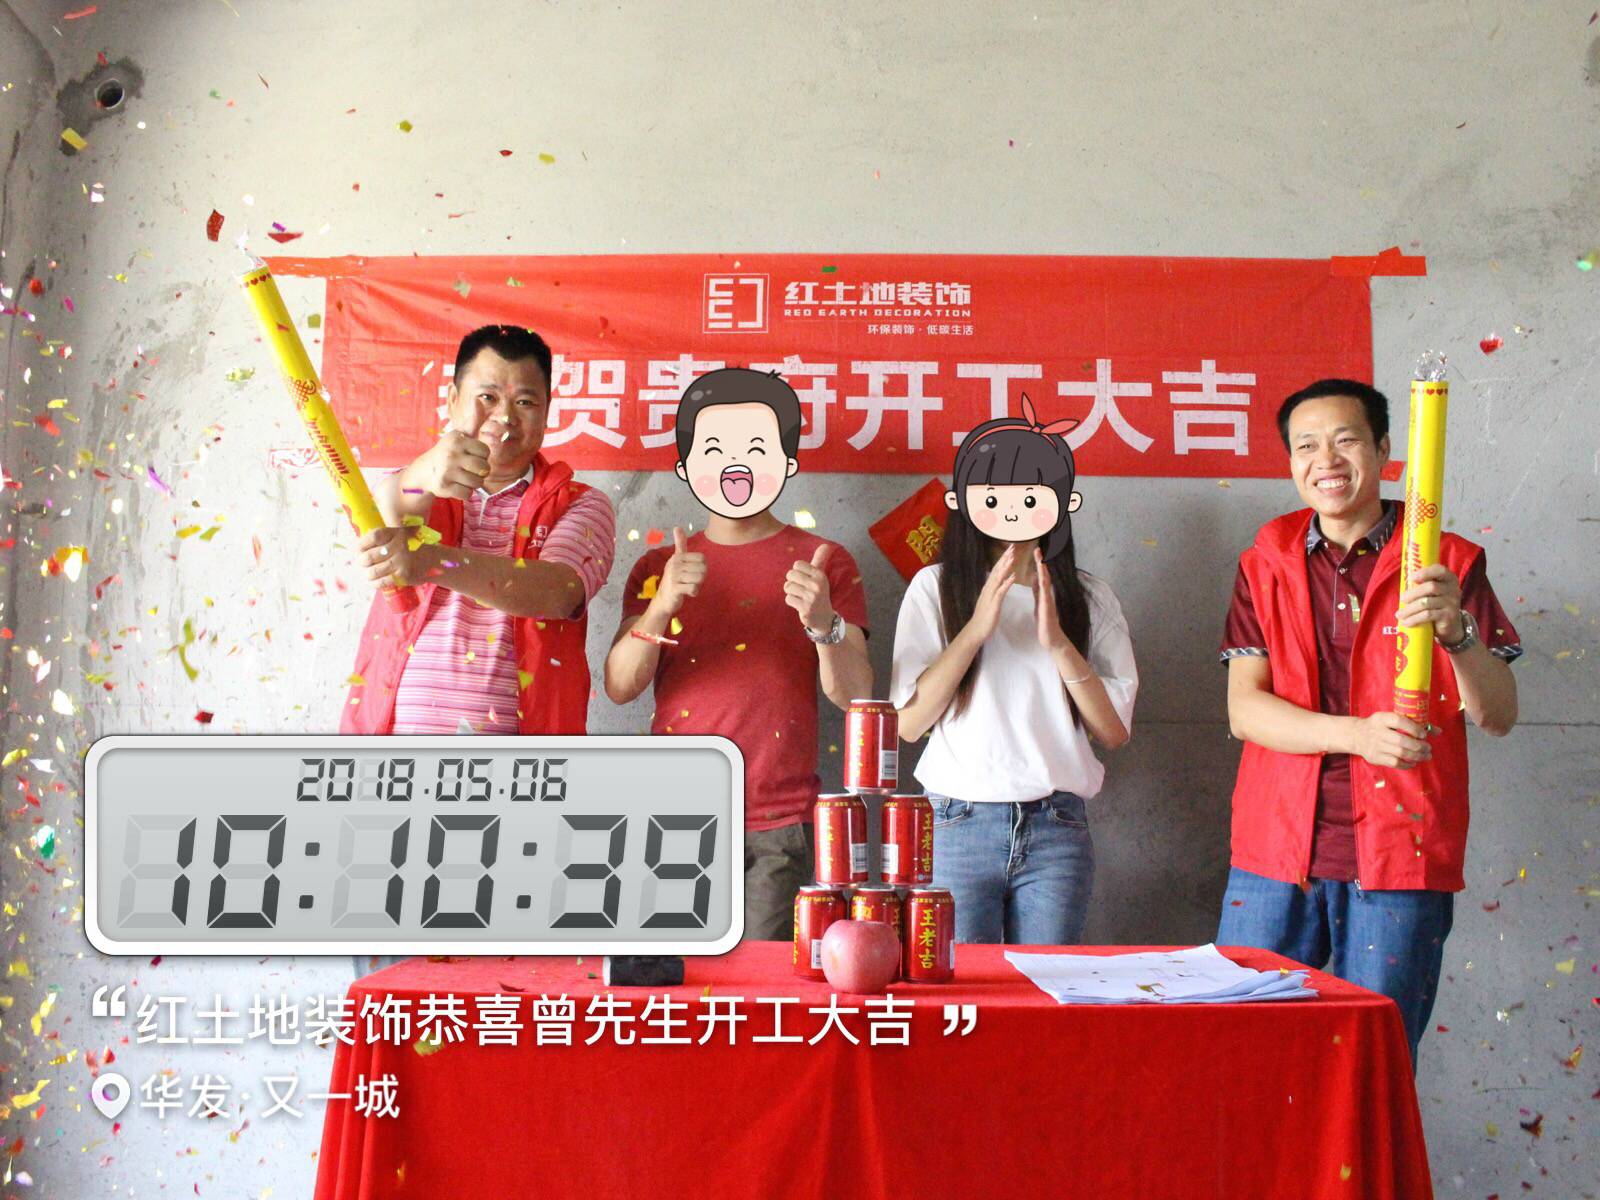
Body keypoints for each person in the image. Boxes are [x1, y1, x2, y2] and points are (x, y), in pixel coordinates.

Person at [1215, 377, 1521, 1067]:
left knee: (1374, 1065)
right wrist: (1357, 735)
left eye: (1345, 440)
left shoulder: (1447, 561)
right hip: (1273, 855)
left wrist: (1457, 634)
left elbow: (1498, 715)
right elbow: (1244, 710)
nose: (1325, 460)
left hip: (1401, 858)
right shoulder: (1265, 561)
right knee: (1244, 1059)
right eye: (1306, 446)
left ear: (1385, 450)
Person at [605, 368, 872, 940]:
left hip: (779, 824)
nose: (736, 465)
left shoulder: (824, 561)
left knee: (757, 985)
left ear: (787, 462)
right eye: (714, 450)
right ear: (685, 466)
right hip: (671, 817)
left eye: (755, 449)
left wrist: (822, 622)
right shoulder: (657, 566)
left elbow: (856, 697)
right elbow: (620, 687)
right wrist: (661, 606)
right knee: (676, 982)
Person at [889, 397, 1136, 945]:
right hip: (956, 822)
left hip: (1057, 826)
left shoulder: (1090, 596)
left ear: (1063, 503)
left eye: (1030, 497)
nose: (1011, 511)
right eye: (992, 497)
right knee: (961, 986)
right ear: (962, 501)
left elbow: (1114, 731)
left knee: (1048, 985)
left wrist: (1059, 646)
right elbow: (908, 724)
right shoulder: (935, 587)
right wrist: (977, 628)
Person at [342, 323, 616, 736]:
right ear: (453, 400)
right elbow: (392, 506)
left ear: (546, 412)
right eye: (488, 397)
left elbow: (558, 592)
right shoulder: (419, 487)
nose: (505, 416)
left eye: (525, 402)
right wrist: (425, 471)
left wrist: (434, 562)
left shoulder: (579, 502)